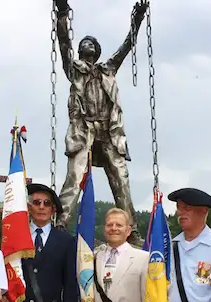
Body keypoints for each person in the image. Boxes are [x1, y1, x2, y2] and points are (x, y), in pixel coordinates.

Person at [53, 0, 148, 245]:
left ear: (96, 49)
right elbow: (64, 43)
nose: (87, 44)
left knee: (121, 179)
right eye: (83, 43)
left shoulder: (108, 69)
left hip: (108, 131)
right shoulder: (74, 70)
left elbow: (127, 46)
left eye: (91, 43)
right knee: (74, 177)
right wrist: (62, 13)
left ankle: (132, 230)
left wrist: (137, 19)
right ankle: (61, 221)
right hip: (84, 130)